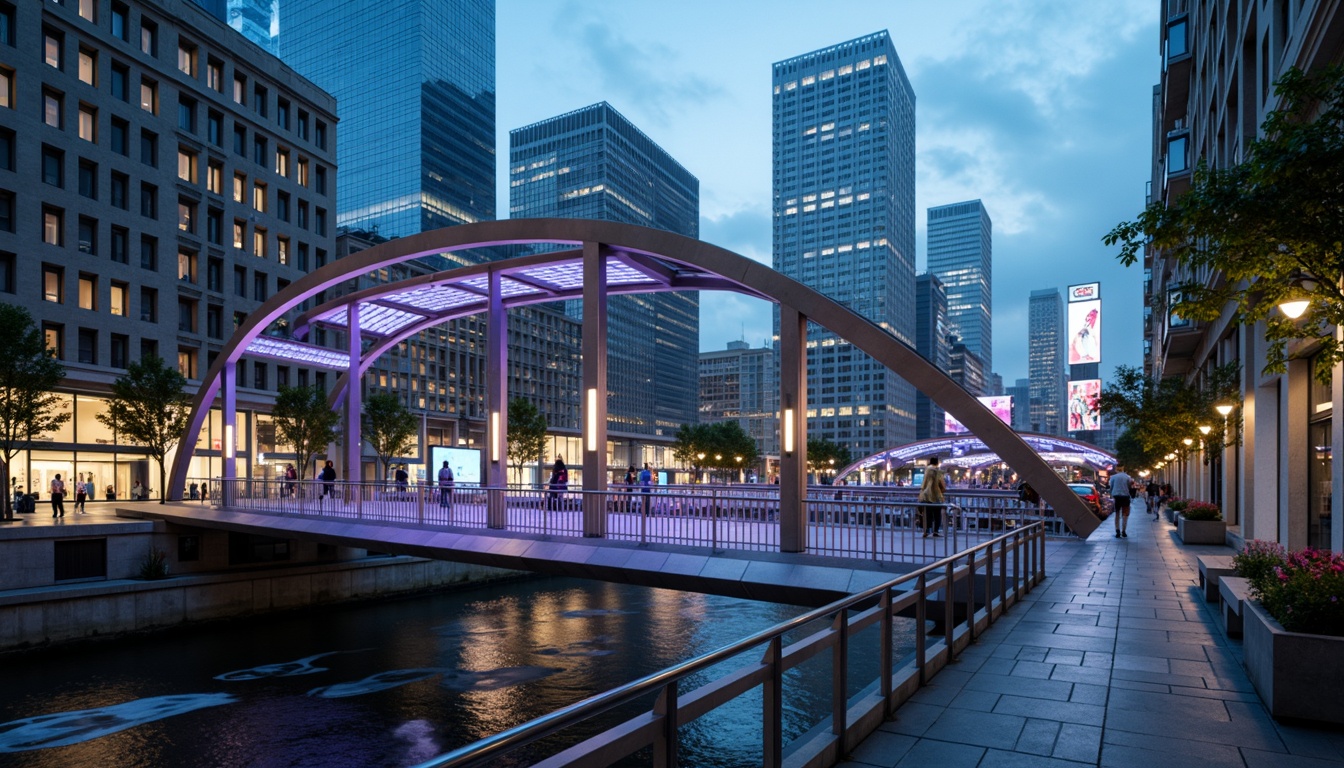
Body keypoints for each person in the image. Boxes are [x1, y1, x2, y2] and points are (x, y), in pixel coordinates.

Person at [918, 457, 946, 537]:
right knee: (937, 514)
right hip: (936, 495)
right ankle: (936, 531)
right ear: (937, 463)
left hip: (925, 494)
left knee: (927, 514)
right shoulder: (937, 470)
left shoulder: (927, 470)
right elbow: (941, 484)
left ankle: (926, 531)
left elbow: (924, 483)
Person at [1109, 466, 1135, 538]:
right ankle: (1124, 531)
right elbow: (1130, 487)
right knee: (1125, 514)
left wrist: (1111, 494)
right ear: (1123, 469)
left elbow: (1111, 487)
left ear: (1117, 469)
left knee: (1117, 514)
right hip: (1125, 497)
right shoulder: (1127, 477)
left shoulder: (1113, 477)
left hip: (1117, 496)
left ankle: (1117, 530)